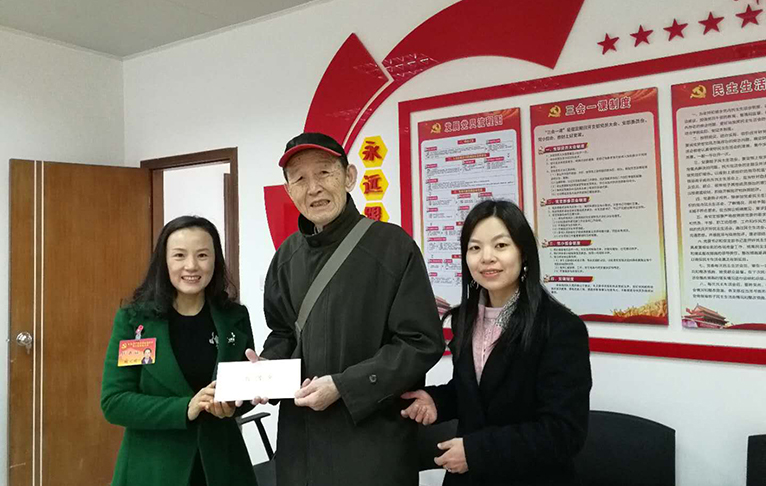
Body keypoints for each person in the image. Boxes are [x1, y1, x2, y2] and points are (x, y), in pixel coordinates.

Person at [252, 132, 445, 486]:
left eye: (324, 172)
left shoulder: (393, 247)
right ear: (289, 191)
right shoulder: (286, 257)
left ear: (349, 176)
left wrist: (343, 386)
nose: (314, 188)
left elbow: (421, 342)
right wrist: (267, 370)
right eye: (300, 179)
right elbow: (283, 333)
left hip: (372, 450)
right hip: (301, 450)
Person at [401, 200, 592, 486]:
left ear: (523, 252)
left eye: (501, 245)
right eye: (475, 248)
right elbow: (476, 394)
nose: (486, 258)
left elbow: (563, 432)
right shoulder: (464, 318)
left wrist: (477, 451)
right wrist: (436, 402)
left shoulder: (560, 328)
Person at [101, 216, 257, 486]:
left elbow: (243, 392)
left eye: (202, 255)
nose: (191, 266)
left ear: (216, 261)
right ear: (164, 262)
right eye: (179, 255)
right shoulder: (135, 321)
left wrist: (233, 405)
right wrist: (185, 407)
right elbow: (115, 402)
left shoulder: (234, 317)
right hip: (152, 469)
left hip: (223, 467)